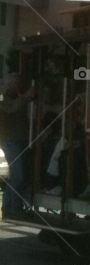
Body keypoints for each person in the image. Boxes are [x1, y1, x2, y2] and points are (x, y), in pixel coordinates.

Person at [0, 72, 34, 218]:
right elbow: (11, 108)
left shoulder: (16, 96)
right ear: (8, 84)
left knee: (17, 175)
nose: (17, 86)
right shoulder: (2, 97)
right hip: (10, 141)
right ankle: (12, 208)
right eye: (15, 83)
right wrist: (26, 97)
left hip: (19, 140)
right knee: (17, 176)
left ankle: (10, 207)